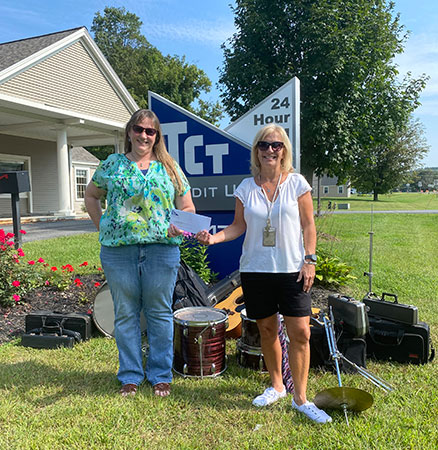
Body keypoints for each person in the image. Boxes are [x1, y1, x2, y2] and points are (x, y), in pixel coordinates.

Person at [196, 124, 332, 423]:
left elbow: (309, 226)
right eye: (264, 145)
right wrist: (214, 238)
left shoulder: (297, 184)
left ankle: (301, 398)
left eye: (276, 145)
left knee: (301, 333)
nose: (270, 150)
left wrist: (310, 260)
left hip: (292, 270)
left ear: (284, 151)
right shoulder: (246, 187)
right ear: (256, 151)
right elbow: (238, 226)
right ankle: (276, 386)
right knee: (267, 331)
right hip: (255, 270)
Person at [85, 109, 195, 398]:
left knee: (159, 313)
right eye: (139, 129)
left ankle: (160, 374)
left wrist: (179, 227)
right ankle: (130, 376)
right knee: (125, 313)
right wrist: (103, 227)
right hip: (119, 252)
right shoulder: (112, 165)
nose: (144, 135)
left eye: (150, 131)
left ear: (157, 136)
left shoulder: (169, 167)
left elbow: (188, 207)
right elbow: (91, 196)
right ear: (129, 132)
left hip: (161, 250)